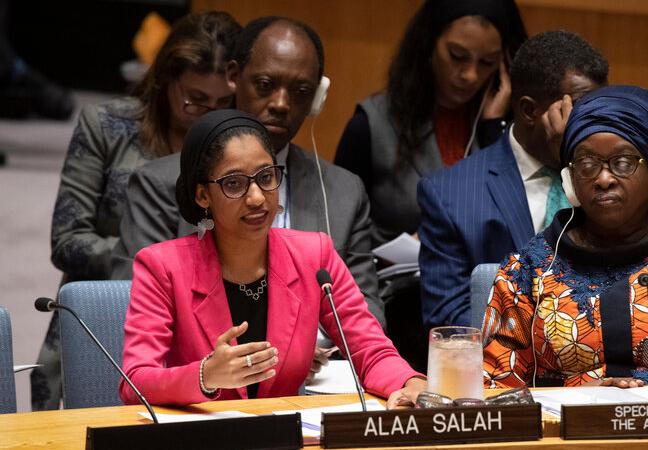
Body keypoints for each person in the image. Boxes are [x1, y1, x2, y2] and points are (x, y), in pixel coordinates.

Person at [120, 109, 426, 407]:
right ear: (203, 196)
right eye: (234, 183)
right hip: (201, 431)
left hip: (288, 430)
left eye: (266, 177)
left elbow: (370, 348)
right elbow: (135, 382)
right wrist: (205, 376)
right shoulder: (163, 267)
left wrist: (409, 383)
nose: (256, 197)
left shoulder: (314, 255)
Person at [109, 17, 383, 331]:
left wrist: (312, 348)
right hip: (206, 359)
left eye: (301, 90)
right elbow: (133, 310)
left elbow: (368, 315)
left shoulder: (343, 192)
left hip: (318, 361)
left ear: (316, 99)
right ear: (234, 77)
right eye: (265, 85)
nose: (281, 104)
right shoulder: (159, 184)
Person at [34, 11, 240, 410]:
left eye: (222, 102)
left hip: (206, 332)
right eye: (195, 99)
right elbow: (68, 241)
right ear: (165, 79)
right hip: (109, 311)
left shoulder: (235, 145)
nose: (208, 114)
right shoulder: (106, 126)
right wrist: (159, 262)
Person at [483, 85, 648, 388]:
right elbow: (494, 382)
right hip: (563, 418)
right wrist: (581, 396)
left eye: (623, 163)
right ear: (570, 180)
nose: (604, 179)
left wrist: (631, 390)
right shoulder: (529, 269)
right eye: (587, 164)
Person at [418, 30, 608, 329]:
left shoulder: (622, 175)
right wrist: (554, 338)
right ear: (530, 110)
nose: (596, 125)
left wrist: (580, 165)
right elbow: (450, 317)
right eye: (580, 110)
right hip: (506, 356)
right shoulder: (449, 194)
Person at [334, 0, 528, 247]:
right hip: (389, 271)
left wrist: (493, 129)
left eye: (487, 62)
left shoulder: (510, 129)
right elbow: (339, 231)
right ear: (428, 44)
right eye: (457, 56)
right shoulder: (370, 125)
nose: (470, 75)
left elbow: (516, 222)